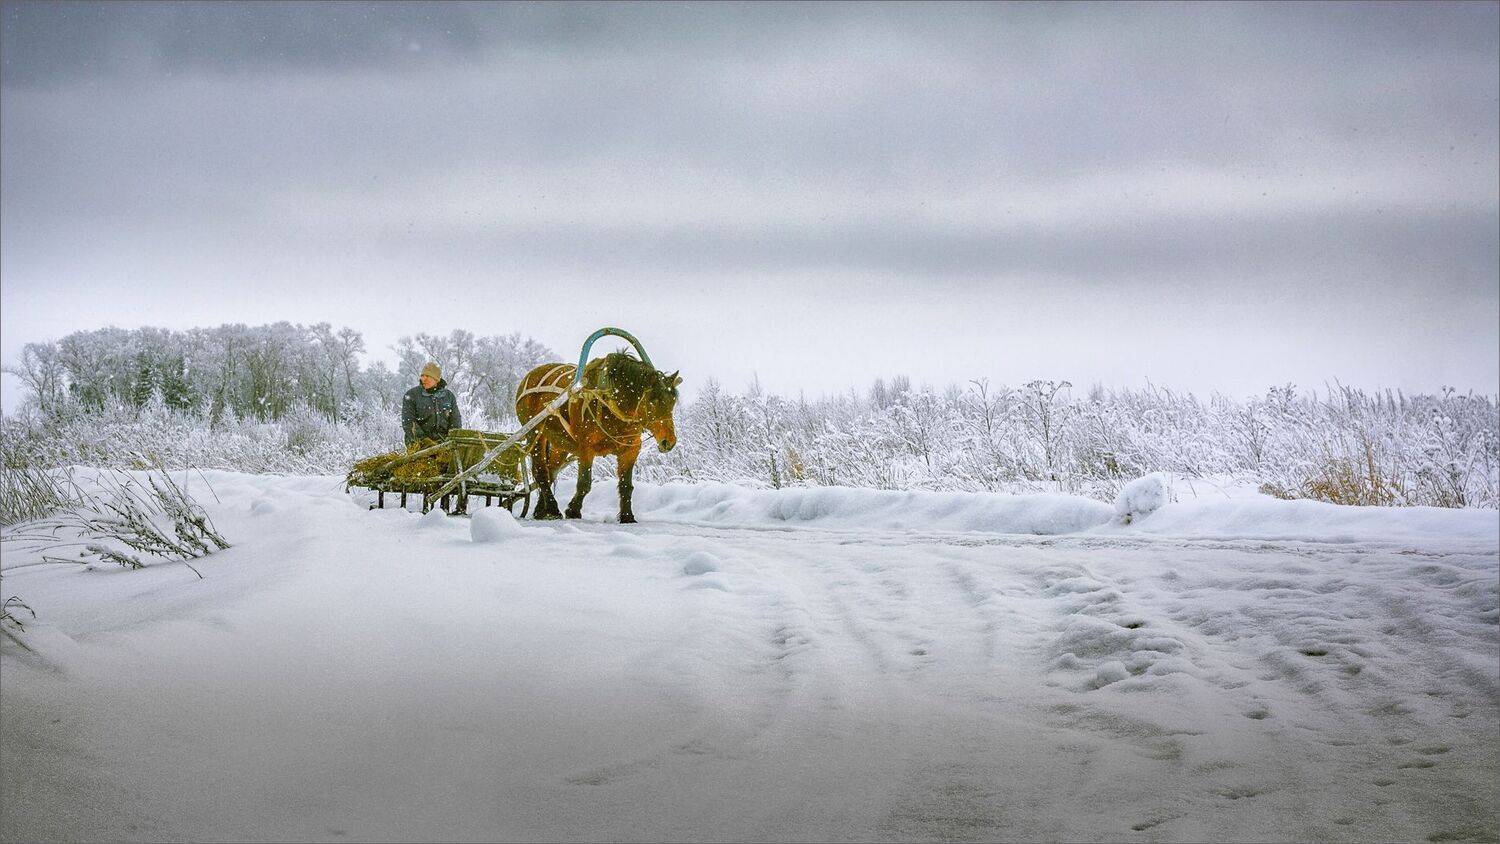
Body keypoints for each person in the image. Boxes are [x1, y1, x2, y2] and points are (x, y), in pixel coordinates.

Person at [402, 362, 462, 448]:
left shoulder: (449, 396)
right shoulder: (411, 395)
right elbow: (409, 423)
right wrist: (426, 443)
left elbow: (455, 422)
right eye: (422, 376)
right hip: (418, 445)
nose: (423, 379)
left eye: (427, 376)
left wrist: (449, 441)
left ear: (436, 379)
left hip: (444, 444)